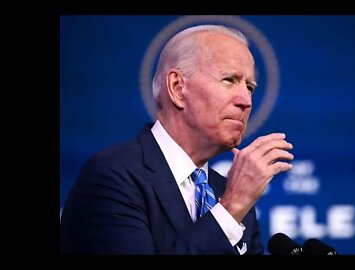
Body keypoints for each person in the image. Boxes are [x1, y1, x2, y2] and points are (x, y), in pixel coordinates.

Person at [60, 24, 294, 255]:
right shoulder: (112, 176)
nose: (246, 100)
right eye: (229, 80)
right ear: (177, 87)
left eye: (250, 87)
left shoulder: (226, 191)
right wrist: (230, 209)